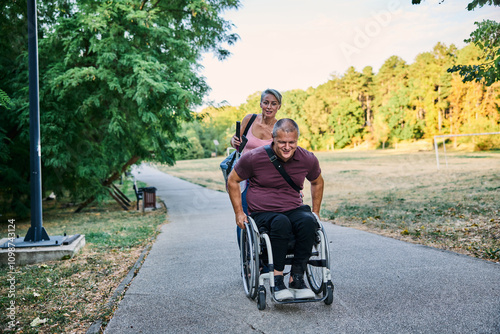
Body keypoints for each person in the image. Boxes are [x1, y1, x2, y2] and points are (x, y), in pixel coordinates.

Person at [227, 118, 324, 301]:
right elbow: (232, 180)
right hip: (263, 212)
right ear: (273, 139)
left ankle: (297, 278)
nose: (287, 147)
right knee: (281, 222)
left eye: (291, 142)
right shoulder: (254, 157)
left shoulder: (307, 158)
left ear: (297, 140)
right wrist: (239, 212)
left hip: (293, 207)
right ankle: (277, 279)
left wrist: (316, 211)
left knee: (308, 221)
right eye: (282, 142)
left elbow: (317, 181)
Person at [231, 88, 281, 215]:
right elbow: (235, 139)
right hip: (245, 173)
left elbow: (285, 154)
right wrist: (234, 141)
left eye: (273, 103)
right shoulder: (249, 120)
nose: (269, 107)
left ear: (278, 107)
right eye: (266, 102)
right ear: (260, 104)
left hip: (267, 175)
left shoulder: (280, 127)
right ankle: (243, 233)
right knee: (243, 213)